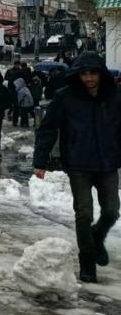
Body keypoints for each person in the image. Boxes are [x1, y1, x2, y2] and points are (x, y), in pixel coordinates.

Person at [34, 52, 121, 284]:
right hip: (78, 163)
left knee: (112, 211)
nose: (89, 78)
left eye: (93, 73)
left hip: (108, 162)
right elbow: (47, 128)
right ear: (78, 75)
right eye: (84, 74)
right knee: (84, 213)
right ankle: (87, 262)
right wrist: (40, 162)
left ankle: (96, 236)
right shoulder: (65, 97)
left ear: (101, 74)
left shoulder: (115, 96)